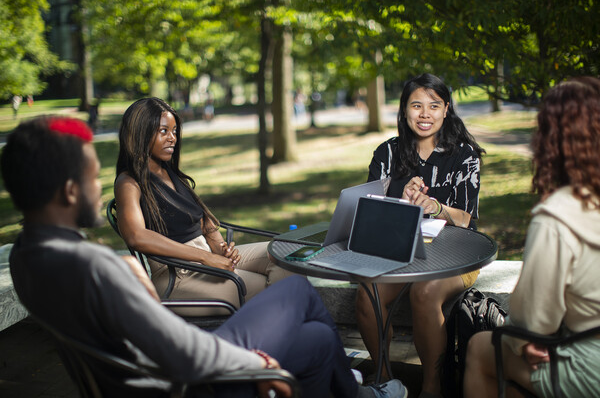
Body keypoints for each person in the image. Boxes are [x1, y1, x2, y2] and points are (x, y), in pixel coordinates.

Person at [2, 116, 408, 398]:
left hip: (146, 381)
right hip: (191, 386)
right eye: (92, 178)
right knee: (298, 295)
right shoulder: (96, 268)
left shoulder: (26, 258)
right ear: (70, 191)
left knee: (318, 340)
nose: (98, 187)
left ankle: (353, 391)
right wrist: (255, 363)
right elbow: (185, 355)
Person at [463, 78, 600, 398]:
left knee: (483, 348)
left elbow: (533, 322)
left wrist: (522, 339)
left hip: (591, 364)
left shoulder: (558, 216)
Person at [355, 73, 485, 397]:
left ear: (446, 110)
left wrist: (435, 207)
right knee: (369, 288)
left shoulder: (464, 155)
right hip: (402, 251)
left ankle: (431, 387)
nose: (424, 114)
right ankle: (385, 382)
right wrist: (402, 203)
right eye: (416, 105)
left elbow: (466, 219)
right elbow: (372, 213)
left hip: (457, 255)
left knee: (424, 292)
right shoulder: (387, 153)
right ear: (404, 110)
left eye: (433, 105)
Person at [114, 98, 293, 314]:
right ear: (141, 132)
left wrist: (219, 247)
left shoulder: (170, 173)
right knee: (271, 289)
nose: (173, 138)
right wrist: (205, 257)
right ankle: (267, 324)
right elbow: (136, 236)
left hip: (206, 256)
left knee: (286, 256)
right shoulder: (129, 182)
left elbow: (200, 218)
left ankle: (270, 320)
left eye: (174, 131)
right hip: (176, 275)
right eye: (164, 131)